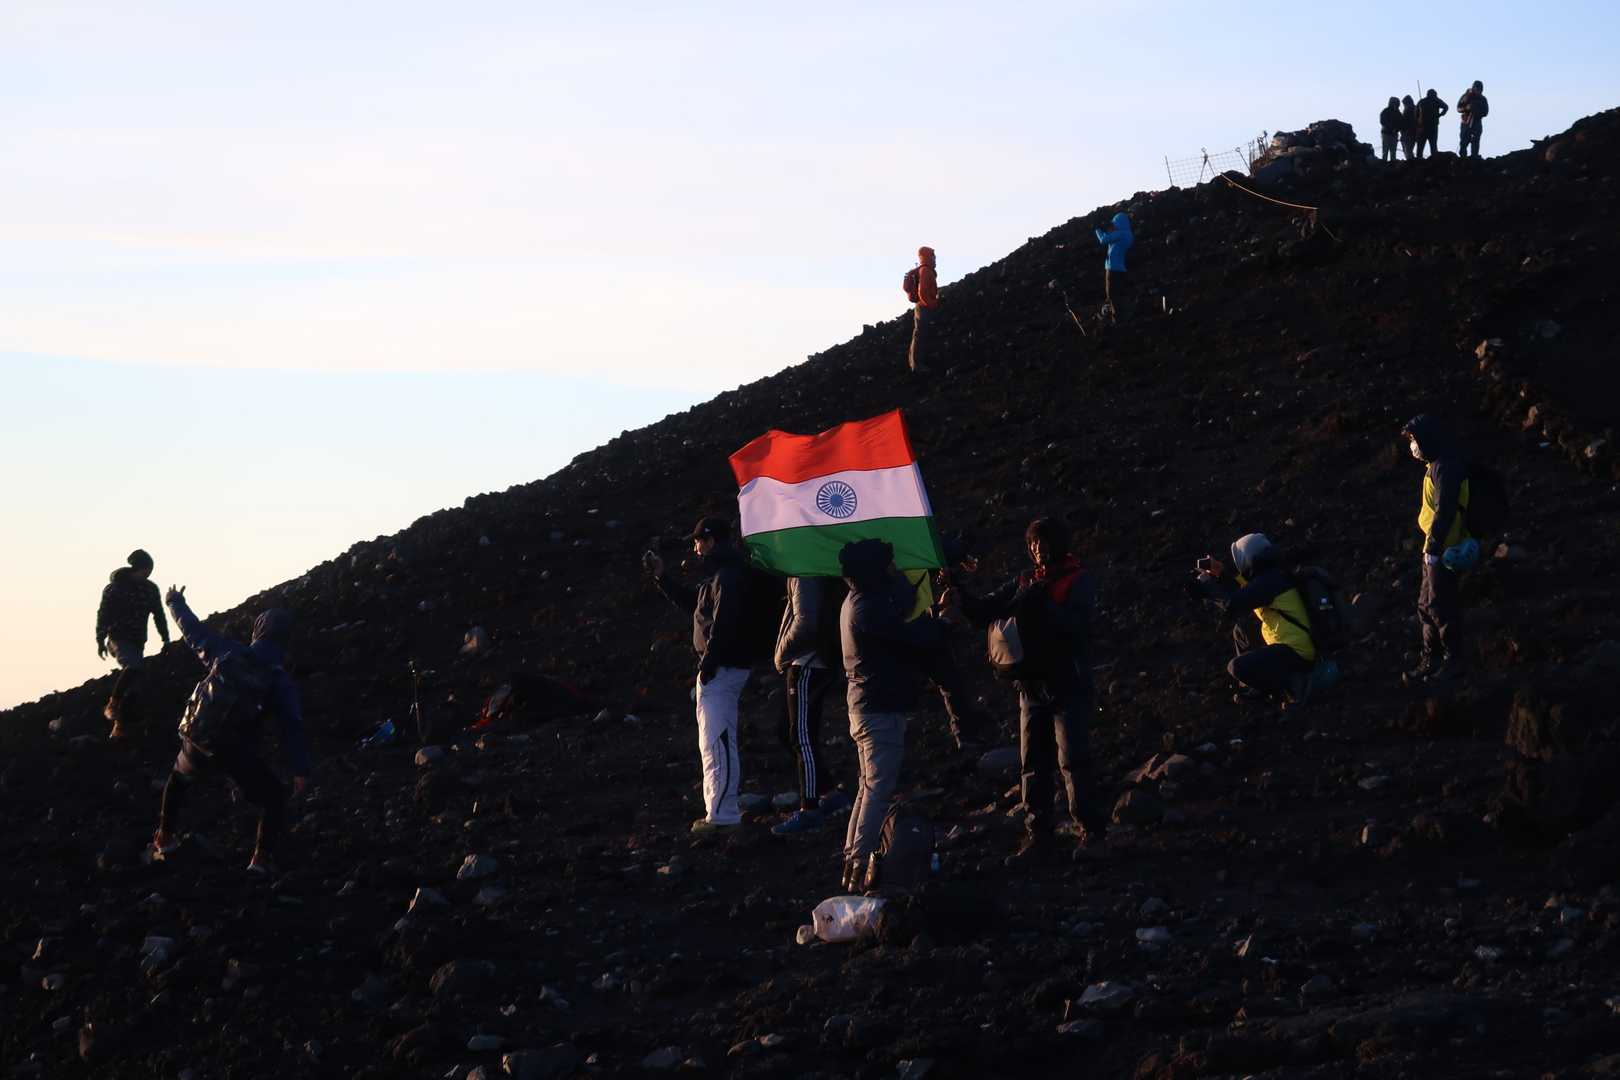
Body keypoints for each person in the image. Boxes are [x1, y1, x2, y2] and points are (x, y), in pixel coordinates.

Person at [942, 518, 1108, 866]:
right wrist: (958, 590)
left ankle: (1092, 833)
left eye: (1043, 542)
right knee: (1033, 761)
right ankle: (1039, 835)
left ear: (1058, 544)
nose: (1037, 549)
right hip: (1031, 687)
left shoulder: (1076, 580)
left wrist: (1042, 606)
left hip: (1067, 683)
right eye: (1033, 544)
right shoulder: (1025, 580)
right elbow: (985, 610)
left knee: (1073, 760)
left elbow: (1078, 627)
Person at [151, 587, 310, 875]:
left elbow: (192, 630)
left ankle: (164, 838)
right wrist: (299, 769)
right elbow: (292, 726)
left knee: (178, 779)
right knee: (273, 797)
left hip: (197, 736)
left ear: (258, 631)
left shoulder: (227, 651)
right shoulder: (278, 679)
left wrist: (174, 601)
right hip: (232, 751)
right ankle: (260, 861)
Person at [838, 538, 944, 890]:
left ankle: (852, 862)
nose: (891, 570)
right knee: (878, 788)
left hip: (863, 706)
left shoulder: (854, 602)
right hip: (879, 708)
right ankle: (858, 865)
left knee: (867, 786)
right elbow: (909, 634)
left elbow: (899, 605)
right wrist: (943, 622)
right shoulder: (869, 608)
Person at [648, 516, 754, 837]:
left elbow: (724, 624)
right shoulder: (721, 575)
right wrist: (662, 578)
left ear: (710, 541)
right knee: (712, 740)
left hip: (722, 668)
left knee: (717, 740)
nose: (695, 548)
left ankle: (723, 816)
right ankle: (718, 810)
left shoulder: (727, 576)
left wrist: (709, 663)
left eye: (698, 541)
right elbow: (697, 607)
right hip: (720, 666)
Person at [1191, 534, 1315, 706]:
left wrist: (1208, 585)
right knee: (1241, 630)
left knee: (1236, 667)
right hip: (1295, 645)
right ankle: (1258, 686)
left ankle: (1288, 686)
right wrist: (1220, 574)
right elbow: (1241, 591)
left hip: (1296, 653)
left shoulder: (1268, 582)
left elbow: (1232, 604)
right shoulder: (1273, 576)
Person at [770, 576, 845, 835]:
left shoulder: (804, 573)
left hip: (806, 664)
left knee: (801, 737)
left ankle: (809, 808)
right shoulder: (818, 569)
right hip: (817, 661)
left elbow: (805, 623)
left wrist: (781, 654)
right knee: (790, 731)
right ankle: (829, 793)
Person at [1400, 415, 1471, 685]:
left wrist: (1434, 545)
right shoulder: (1437, 465)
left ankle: (1453, 661)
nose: (1412, 446)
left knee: (1441, 606)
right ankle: (1432, 659)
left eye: (1414, 440)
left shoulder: (1445, 467)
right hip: (1434, 548)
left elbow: (1446, 509)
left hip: (1442, 549)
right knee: (1427, 605)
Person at [95, 548, 170, 738]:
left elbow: (158, 615)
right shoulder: (115, 588)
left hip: (137, 641)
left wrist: (165, 638)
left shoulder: (150, 589)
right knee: (134, 667)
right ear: (137, 568)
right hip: (118, 638)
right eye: (146, 570)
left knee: (136, 685)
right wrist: (100, 639)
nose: (148, 574)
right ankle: (113, 703)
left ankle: (120, 727)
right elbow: (103, 614)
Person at [1093, 212, 1134, 322]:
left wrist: (1097, 229)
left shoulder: (1120, 234)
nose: (1113, 225)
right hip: (1120, 268)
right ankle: (1120, 317)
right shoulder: (1128, 234)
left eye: (1114, 223)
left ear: (1119, 223)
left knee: (1111, 295)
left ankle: (1115, 319)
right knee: (1118, 294)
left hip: (1112, 268)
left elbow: (1103, 240)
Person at [904, 246, 939, 374]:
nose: (935, 259)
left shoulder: (923, 270)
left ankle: (916, 364)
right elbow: (922, 292)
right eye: (933, 256)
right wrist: (932, 304)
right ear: (927, 257)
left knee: (919, 333)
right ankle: (917, 365)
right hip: (924, 307)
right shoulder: (925, 270)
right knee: (921, 334)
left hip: (922, 306)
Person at [1457, 80, 1489, 158]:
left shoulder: (1483, 99)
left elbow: (1485, 112)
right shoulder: (1466, 96)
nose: (1479, 91)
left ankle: (1474, 161)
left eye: (1480, 89)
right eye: (1477, 89)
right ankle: (1463, 160)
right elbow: (1458, 108)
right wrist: (1467, 108)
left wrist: (1476, 112)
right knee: (1463, 145)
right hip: (1466, 124)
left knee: (1475, 146)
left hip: (1477, 124)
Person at [1415, 89, 1449, 159]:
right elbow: (1446, 107)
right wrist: (1440, 114)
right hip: (1433, 126)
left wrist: (1418, 123)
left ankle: (1418, 161)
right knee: (1433, 146)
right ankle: (1434, 161)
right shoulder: (1436, 100)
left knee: (1420, 147)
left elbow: (1416, 114)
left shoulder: (1421, 101)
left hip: (1422, 127)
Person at [1379, 97, 1402, 163]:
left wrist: (1396, 129)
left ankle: (1390, 164)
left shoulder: (1396, 112)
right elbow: (1382, 121)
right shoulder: (1386, 111)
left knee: (1392, 152)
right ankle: (1386, 164)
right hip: (1387, 133)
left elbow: (1401, 123)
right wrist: (1393, 128)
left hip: (1391, 133)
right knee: (1386, 151)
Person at [1399, 95, 1419, 160]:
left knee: (1408, 149)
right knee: (1409, 149)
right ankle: (1411, 160)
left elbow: (1405, 122)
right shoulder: (1416, 108)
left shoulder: (1407, 110)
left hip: (1408, 133)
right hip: (1414, 132)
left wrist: (1404, 132)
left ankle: (1410, 161)